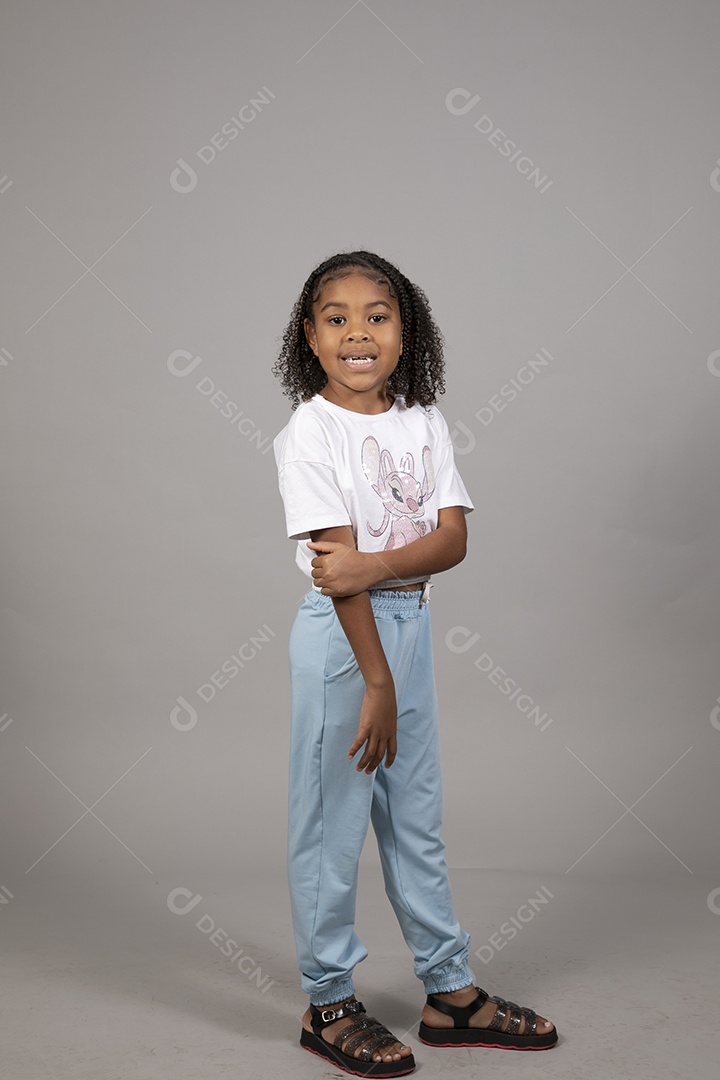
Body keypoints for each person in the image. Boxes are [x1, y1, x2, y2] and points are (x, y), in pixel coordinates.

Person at [272, 251, 558, 1077]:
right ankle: (329, 1002)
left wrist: (376, 566)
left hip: (408, 626)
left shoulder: (423, 421)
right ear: (310, 336)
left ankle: (449, 992)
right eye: (336, 318)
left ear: (406, 331)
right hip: (344, 642)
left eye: (378, 315)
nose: (357, 332)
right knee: (331, 826)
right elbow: (337, 575)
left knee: (415, 819)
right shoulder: (310, 432)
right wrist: (376, 678)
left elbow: (453, 539)